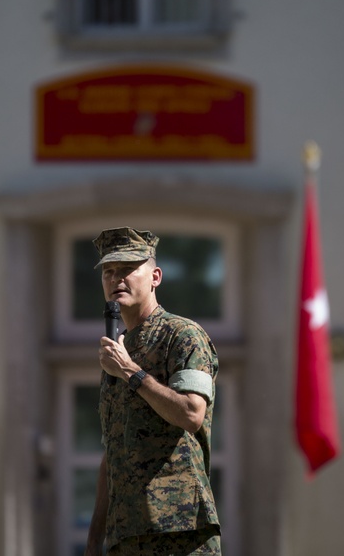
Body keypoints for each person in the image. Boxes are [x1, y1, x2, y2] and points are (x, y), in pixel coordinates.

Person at [86, 227, 221, 556]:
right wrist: (94, 539)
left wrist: (131, 371)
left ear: (155, 277)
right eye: (108, 271)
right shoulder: (118, 352)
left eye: (128, 268)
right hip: (126, 536)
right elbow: (112, 452)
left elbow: (191, 414)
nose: (116, 278)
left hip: (178, 531)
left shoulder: (182, 335)